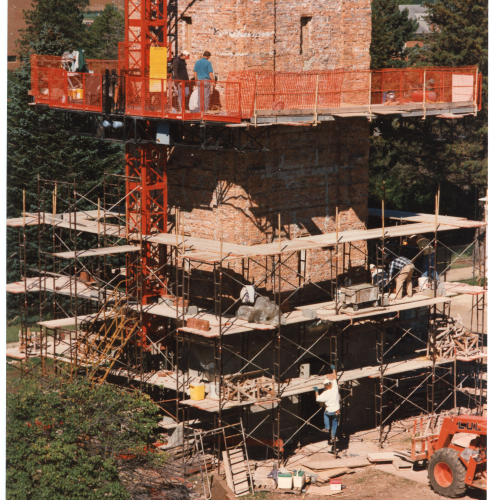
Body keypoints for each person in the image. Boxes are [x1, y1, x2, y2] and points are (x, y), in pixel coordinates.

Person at [313, 368, 340, 446]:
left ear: (325, 386)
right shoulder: (335, 388)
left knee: (325, 414)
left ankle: (327, 427)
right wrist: (334, 369)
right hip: (336, 411)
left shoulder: (325, 393)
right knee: (335, 423)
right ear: (330, 384)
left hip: (329, 411)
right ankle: (333, 436)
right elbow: (335, 378)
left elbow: (317, 399)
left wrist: (316, 390)